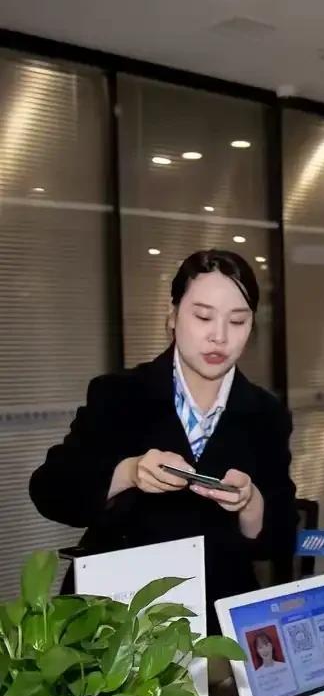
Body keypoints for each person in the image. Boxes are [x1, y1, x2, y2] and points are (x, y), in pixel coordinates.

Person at [30, 250, 297, 632]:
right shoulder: (119, 394)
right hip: (116, 619)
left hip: (218, 619)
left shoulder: (265, 413)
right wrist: (128, 472)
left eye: (237, 321)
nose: (219, 336)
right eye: (202, 316)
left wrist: (250, 502)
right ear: (172, 316)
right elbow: (50, 490)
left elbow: (281, 535)